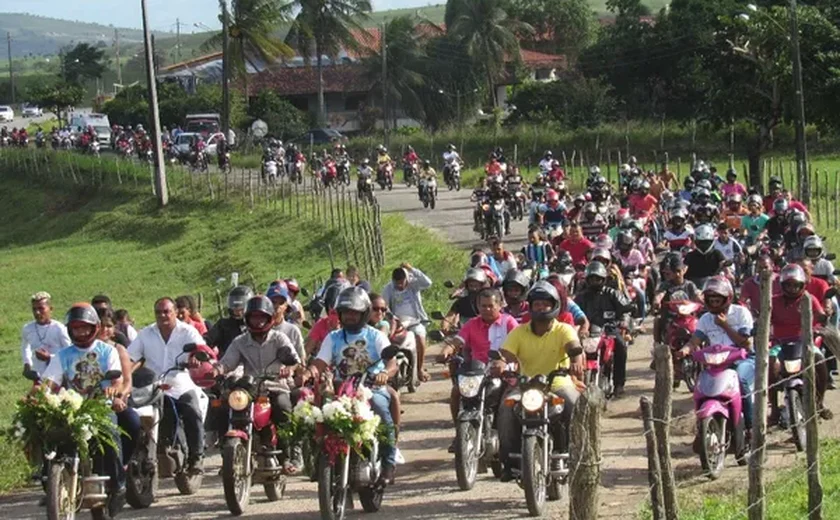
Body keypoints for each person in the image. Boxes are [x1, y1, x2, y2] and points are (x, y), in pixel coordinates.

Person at [305, 287, 399, 483]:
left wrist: (384, 373)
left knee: (382, 410)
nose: (349, 316)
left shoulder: (375, 336)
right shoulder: (334, 337)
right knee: (318, 416)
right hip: (341, 389)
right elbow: (321, 362)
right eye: (346, 312)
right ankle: (319, 460)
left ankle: (389, 464)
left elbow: (392, 363)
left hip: (371, 388)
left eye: (354, 312)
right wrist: (310, 372)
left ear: (363, 313)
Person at [495, 281, 584, 481]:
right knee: (506, 409)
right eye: (536, 304)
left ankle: (576, 455)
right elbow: (505, 354)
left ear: (554, 306)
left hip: (558, 384)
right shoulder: (519, 331)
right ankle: (509, 462)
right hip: (526, 385)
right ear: (531, 306)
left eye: (545, 304)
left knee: (573, 404)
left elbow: (574, 347)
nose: (541, 307)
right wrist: (500, 363)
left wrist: (577, 362)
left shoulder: (564, 329)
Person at [40, 303, 125, 504]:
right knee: (46, 433)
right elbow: (50, 382)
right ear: (70, 330)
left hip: (100, 406)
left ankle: (118, 483)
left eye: (85, 327)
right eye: (76, 328)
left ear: (94, 327)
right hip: (71, 408)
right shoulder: (62, 355)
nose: (81, 332)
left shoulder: (107, 351)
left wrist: (113, 389)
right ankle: (48, 482)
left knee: (110, 433)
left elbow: (118, 379)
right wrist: (42, 394)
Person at [215, 296, 302, 471]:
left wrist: (289, 369)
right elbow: (227, 362)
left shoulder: (279, 338)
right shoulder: (240, 341)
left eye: (262, 317)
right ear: (247, 318)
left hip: (276, 386)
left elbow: (294, 361)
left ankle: (288, 455)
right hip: (250, 389)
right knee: (223, 406)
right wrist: (216, 370)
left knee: (282, 407)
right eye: (254, 317)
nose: (258, 321)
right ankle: (227, 452)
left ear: (269, 317)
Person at [127, 297, 207, 475]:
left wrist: (196, 357)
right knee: (131, 413)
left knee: (191, 409)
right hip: (152, 385)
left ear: (175, 312)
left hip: (181, 382)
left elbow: (202, 350)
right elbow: (130, 357)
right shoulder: (146, 334)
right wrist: (125, 373)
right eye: (158, 312)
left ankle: (197, 456)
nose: (162, 315)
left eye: (166, 311)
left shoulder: (187, 331)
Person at [438, 288, 518, 444]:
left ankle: (510, 440)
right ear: (478, 306)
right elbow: (458, 341)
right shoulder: (471, 324)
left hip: (504, 374)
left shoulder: (509, 322)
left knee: (509, 404)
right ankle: (459, 435)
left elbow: (518, 347)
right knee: (456, 392)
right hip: (477, 372)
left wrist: (504, 361)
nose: (486, 309)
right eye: (483, 306)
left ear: (500, 305)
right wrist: (447, 350)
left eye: (490, 306)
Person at [685, 278, 756, 429]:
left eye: (718, 300)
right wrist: (684, 350)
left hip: (743, 359)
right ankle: (701, 428)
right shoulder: (705, 319)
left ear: (727, 298)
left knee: (741, 380)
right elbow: (694, 341)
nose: (714, 304)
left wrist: (724, 325)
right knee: (702, 386)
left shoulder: (741, 313)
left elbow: (745, 343)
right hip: (717, 363)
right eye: (711, 300)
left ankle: (750, 428)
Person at [769, 264, 831, 422]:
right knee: (770, 364)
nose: (792, 288)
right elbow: (764, 318)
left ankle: (819, 402)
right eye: (788, 285)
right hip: (779, 344)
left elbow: (820, 315)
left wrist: (824, 319)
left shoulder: (809, 299)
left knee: (820, 361)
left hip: (805, 343)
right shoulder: (773, 301)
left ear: (802, 285)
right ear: (782, 285)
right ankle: (774, 409)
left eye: (796, 285)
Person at [574, 262, 634, 397]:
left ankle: (619, 384)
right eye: (592, 279)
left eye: (598, 279)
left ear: (603, 279)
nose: (595, 282)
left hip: (609, 329)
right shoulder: (581, 297)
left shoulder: (612, 293)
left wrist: (625, 320)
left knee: (621, 345)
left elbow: (626, 308)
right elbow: (573, 312)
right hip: (588, 331)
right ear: (587, 279)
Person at [95, 308, 141, 467]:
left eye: (108, 326)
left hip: (117, 401)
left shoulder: (119, 349)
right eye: (100, 325)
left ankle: (123, 464)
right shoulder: (86, 349)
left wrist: (118, 397)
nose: (104, 330)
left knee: (133, 422)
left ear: (114, 329)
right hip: (91, 401)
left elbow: (127, 381)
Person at [381, 263, 433, 382]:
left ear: (406, 279)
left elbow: (428, 282)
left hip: (415, 320)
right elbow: (385, 306)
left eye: (402, 282)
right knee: (387, 339)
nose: (399, 285)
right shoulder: (388, 288)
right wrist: (393, 318)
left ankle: (420, 368)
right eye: (397, 283)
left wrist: (411, 269)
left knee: (420, 337)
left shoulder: (413, 284)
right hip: (397, 322)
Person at [653, 253, 702, 345]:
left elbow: (697, 295)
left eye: (679, 271)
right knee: (657, 320)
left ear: (684, 270)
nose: (678, 274)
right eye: (675, 271)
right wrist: (657, 300)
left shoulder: (689, 285)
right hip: (671, 317)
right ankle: (658, 346)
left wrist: (703, 301)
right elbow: (660, 294)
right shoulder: (666, 285)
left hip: (689, 317)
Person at [21, 291, 71, 379]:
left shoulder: (59, 329)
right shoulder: (28, 329)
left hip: (58, 376)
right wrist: (27, 365)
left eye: (41, 308)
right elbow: (25, 348)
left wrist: (49, 357)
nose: (37, 312)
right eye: (34, 309)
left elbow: (69, 353)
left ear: (50, 309)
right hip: (38, 375)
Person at [205, 286, 253, 356]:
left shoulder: (255, 323)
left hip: (253, 362)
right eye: (235, 309)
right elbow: (209, 339)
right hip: (227, 362)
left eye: (241, 309)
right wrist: (201, 344)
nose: (238, 312)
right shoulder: (223, 324)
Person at [267, 285, 306, 362]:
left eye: (281, 302)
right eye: (273, 302)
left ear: (286, 306)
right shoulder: (258, 329)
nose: (277, 306)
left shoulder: (293, 330)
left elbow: (301, 358)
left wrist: (292, 368)